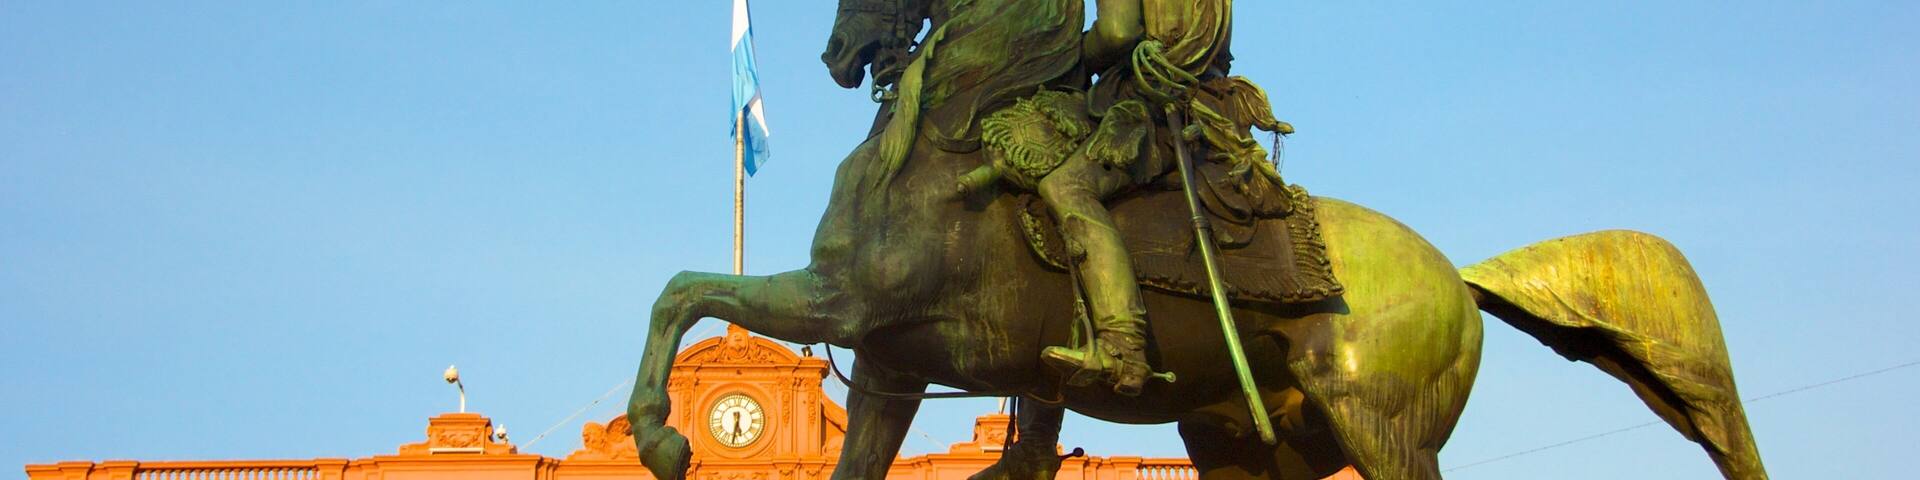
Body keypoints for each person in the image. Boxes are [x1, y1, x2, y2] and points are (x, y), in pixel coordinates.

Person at [1035, 0, 1240, 396]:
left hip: (1157, 108)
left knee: (1065, 188)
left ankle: (1123, 344)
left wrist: (1054, 58)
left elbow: (1117, 31)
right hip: (1189, 95)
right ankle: (1037, 436)